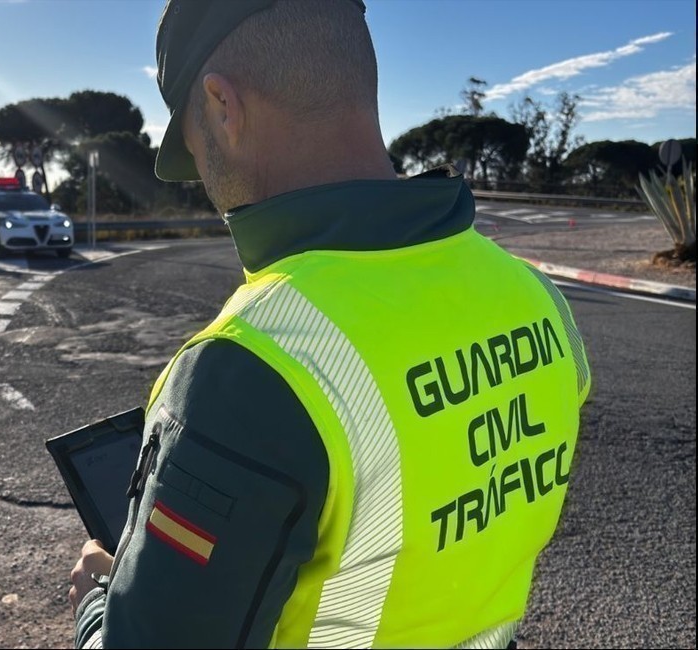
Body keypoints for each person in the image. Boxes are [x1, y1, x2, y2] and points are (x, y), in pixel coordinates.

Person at [67, 1, 591, 648]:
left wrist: (97, 608)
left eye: (194, 145)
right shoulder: (536, 297)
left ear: (222, 106)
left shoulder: (248, 369)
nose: (202, 174)